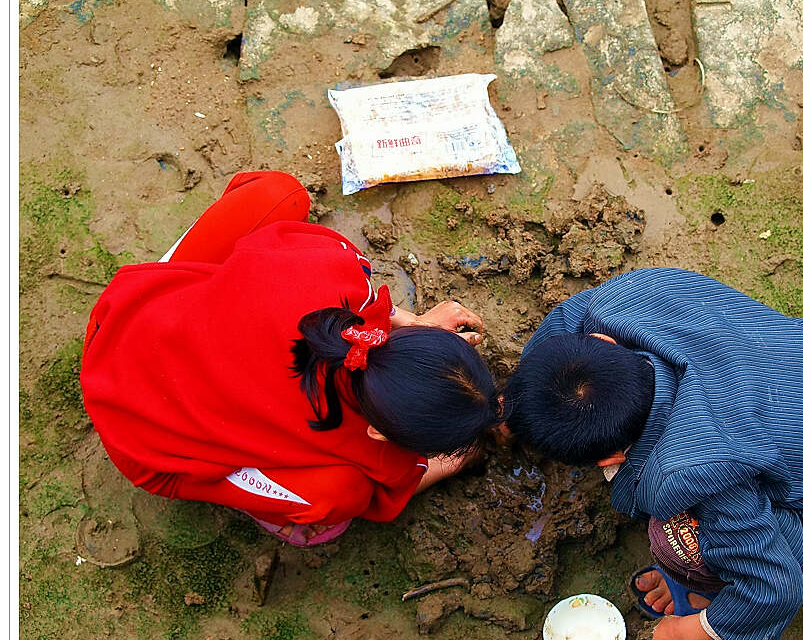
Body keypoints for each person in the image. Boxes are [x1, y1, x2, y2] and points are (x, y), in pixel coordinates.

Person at [504, 267, 803, 640]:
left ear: (610, 460)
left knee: (675, 535)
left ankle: (703, 588)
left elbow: (773, 588)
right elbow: (565, 322)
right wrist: (519, 405)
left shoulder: (697, 472)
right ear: (603, 342)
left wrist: (687, 635)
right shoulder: (623, 302)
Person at [80, 170, 501, 546]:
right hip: (134, 432)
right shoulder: (364, 452)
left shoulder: (337, 276)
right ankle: (255, 499)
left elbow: (278, 250)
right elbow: (404, 479)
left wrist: (411, 322)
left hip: (127, 312)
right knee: (337, 502)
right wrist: (458, 457)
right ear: (377, 432)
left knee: (280, 194)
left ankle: (187, 292)